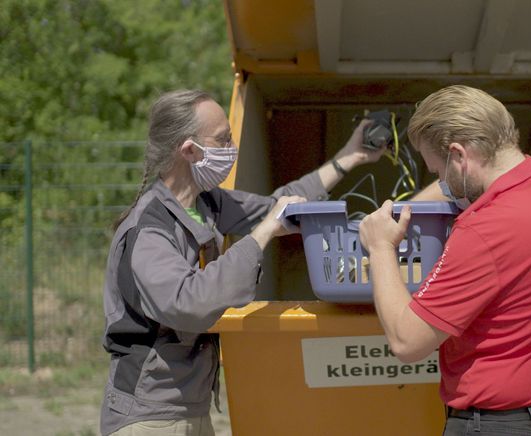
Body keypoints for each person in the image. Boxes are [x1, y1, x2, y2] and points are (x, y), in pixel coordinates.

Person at [100, 89, 382, 435]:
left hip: (189, 406)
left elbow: (278, 207)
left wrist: (349, 157)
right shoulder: (150, 229)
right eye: (223, 140)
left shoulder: (207, 204)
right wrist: (262, 235)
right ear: (189, 151)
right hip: (149, 415)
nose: (231, 149)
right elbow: (190, 302)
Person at [359, 85, 531, 435]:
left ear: (458, 155)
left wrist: (380, 248)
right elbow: (463, 185)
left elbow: (407, 343)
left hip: (502, 425)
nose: (439, 181)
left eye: (437, 170)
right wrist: (405, 210)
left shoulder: (483, 232)